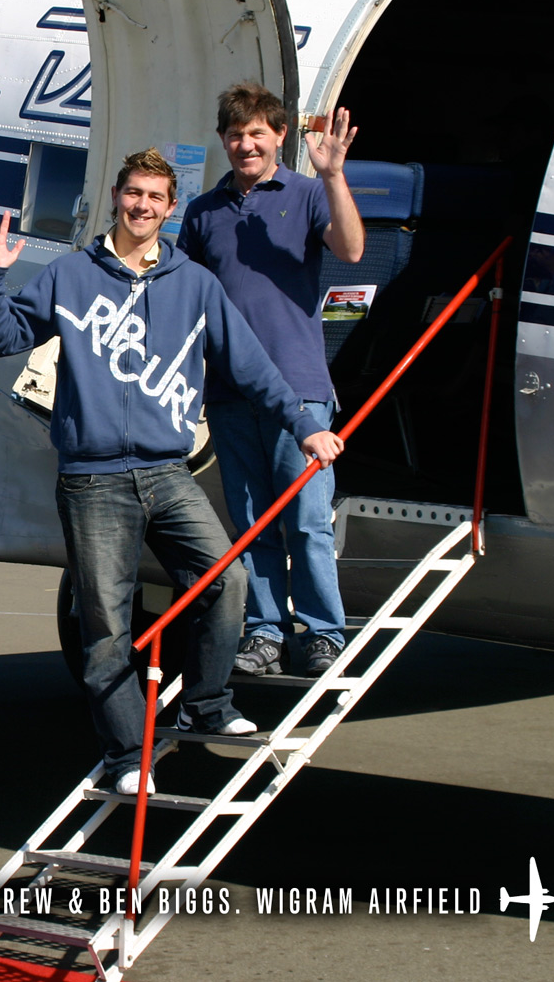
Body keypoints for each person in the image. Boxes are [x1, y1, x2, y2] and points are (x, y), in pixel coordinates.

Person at [0, 148, 343, 794]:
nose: (142, 206)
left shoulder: (194, 284)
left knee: (224, 582)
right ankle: (125, 758)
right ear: (118, 197)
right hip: (92, 479)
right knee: (106, 627)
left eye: (155, 197)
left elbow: (251, 366)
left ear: (171, 209)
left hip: (167, 472)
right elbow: (0, 339)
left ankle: (206, 703)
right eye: (133, 193)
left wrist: (303, 423)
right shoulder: (69, 275)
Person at [178, 83, 364, 678]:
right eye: (235, 134)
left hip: (299, 389)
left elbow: (352, 250)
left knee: (306, 521)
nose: (246, 145)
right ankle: (264, 633)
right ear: (223, 140)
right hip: (230, 393)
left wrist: (332, 175)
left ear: (280, 136)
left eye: (257, 133)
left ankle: (323, 634)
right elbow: (182, 295)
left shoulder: (308, 194)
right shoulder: (203, 212)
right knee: (252, 522)